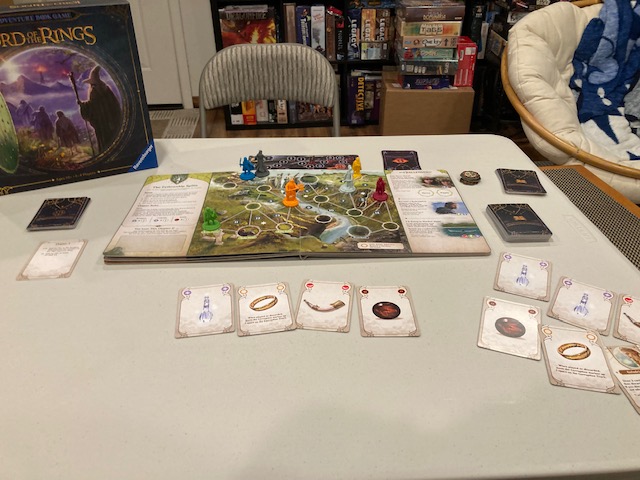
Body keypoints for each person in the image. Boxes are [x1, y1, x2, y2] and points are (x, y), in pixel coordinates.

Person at [78, 65, 122, 153]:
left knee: (105, 141)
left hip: (101, 123)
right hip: (112, 121)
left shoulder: (94, 91)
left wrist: (83, 105)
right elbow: (113, 105)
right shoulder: (106, 89)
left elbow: (93, 106)